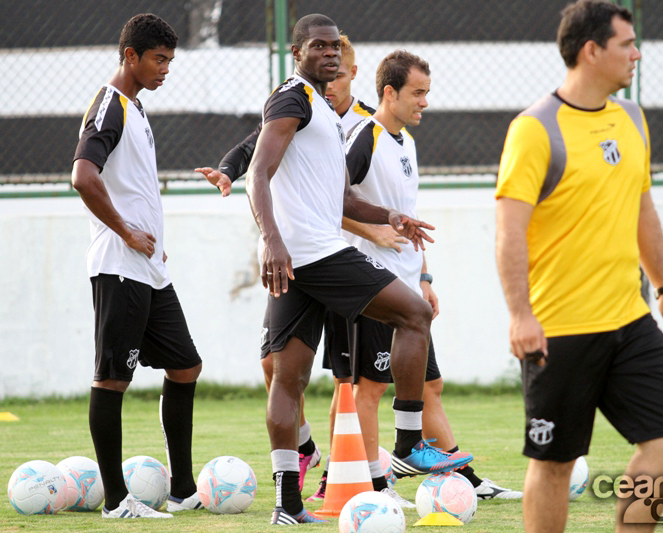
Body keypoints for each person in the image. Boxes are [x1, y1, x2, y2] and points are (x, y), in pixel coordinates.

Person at [244, 14, 473, 525]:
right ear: (298, 51)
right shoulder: (293, 98)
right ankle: (411, 443)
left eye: (335, 49)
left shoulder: (321, 109)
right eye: (318, 47)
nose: (329, 55)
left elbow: (340, 197)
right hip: (314, 253)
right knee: (414, 314)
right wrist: (272, 241)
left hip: (302, 256)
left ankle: (287, 504)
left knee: (288, 378)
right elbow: (258, 172)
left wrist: (390, 215)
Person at [495, 1, 663, 531]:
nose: (637, 54)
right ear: (591, 50)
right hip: (559, 330)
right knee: (554, 464)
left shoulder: (631, 118)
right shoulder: (535, 129)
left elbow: (641, 208)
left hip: (629, 321)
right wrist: (520, 315)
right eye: (627, 44)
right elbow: (509, 230)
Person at [194, 33, 395, 499]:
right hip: (303, 253)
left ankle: (344, 476)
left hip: (343, 257)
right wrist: (228, 169)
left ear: (353, 75)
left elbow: (352, 197)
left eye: (340, 65)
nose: (333, 71)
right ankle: (302, 449)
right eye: (325, 59)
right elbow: (254, 147)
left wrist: (384, 227)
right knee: (275, 364)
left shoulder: (365, 125)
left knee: (348, 376)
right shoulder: (301, 105)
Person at [332, 50, 523, 507]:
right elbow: (326, 201)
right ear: (389, 92)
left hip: (406, 287)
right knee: (370, 388)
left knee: (429, 385)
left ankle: (459, 472)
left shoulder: (406, 143)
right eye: (417, 93)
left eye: (427, 93)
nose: (425, 102)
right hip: (369, 283)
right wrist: (370, 229)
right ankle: (377, 486)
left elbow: (408, 219)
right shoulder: (365, 138)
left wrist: (424, 277)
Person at [71, 13, 203, 519]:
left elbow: (130, 186)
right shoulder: (109, 105)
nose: (166, 69)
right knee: (112, 378)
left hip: (148, 268)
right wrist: (127, 232)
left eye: (170, 60)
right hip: (118, 265)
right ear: (130, 56)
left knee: (186, 364)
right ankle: (116, 501)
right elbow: (84, 176)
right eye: (158, 59)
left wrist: (151, 239)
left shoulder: (136, 109)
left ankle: (184, 489)